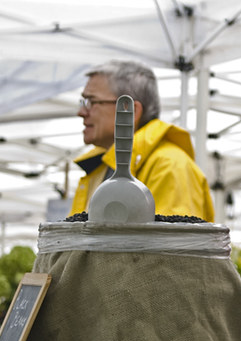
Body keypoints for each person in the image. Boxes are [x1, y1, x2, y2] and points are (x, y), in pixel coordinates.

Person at [70, 60, 215, 221]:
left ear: (131, 110)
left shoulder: (170, 166)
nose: (81, 112)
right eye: (83, 102)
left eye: (92, 102)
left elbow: (172, 243)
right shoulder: (99, 167)